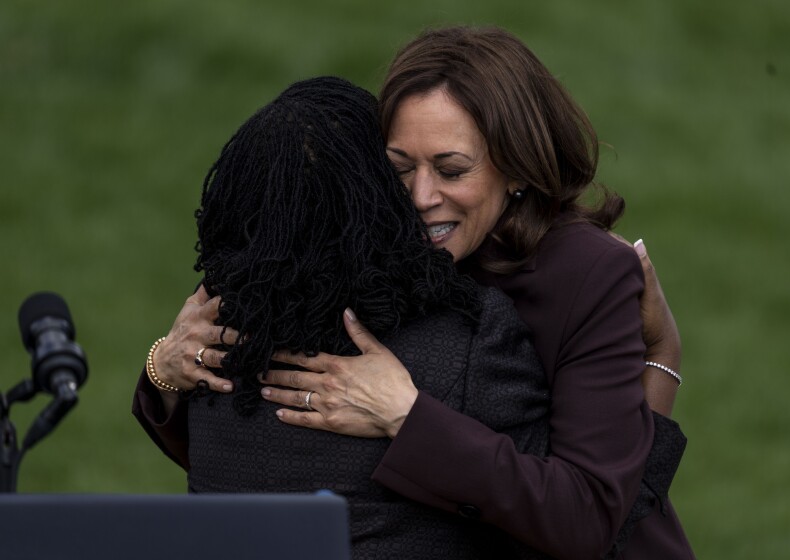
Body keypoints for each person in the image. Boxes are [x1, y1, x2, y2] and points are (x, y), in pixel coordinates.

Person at [136, 26, 693, 559]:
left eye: (452, 170)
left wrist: (407, 416)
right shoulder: (364, 254)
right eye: (398, 168)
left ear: (517, 169)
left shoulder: (584, 273)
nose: (421, 196)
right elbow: (270, 459)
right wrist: (165, 368)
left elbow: (590, 517)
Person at [136, 76, 560, 559]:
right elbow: (569, 524)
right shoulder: (472, 337)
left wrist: (159, 368)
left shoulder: (209, 344)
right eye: (397, 168)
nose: (419, 194)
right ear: (375, 191)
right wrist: (658, 361)